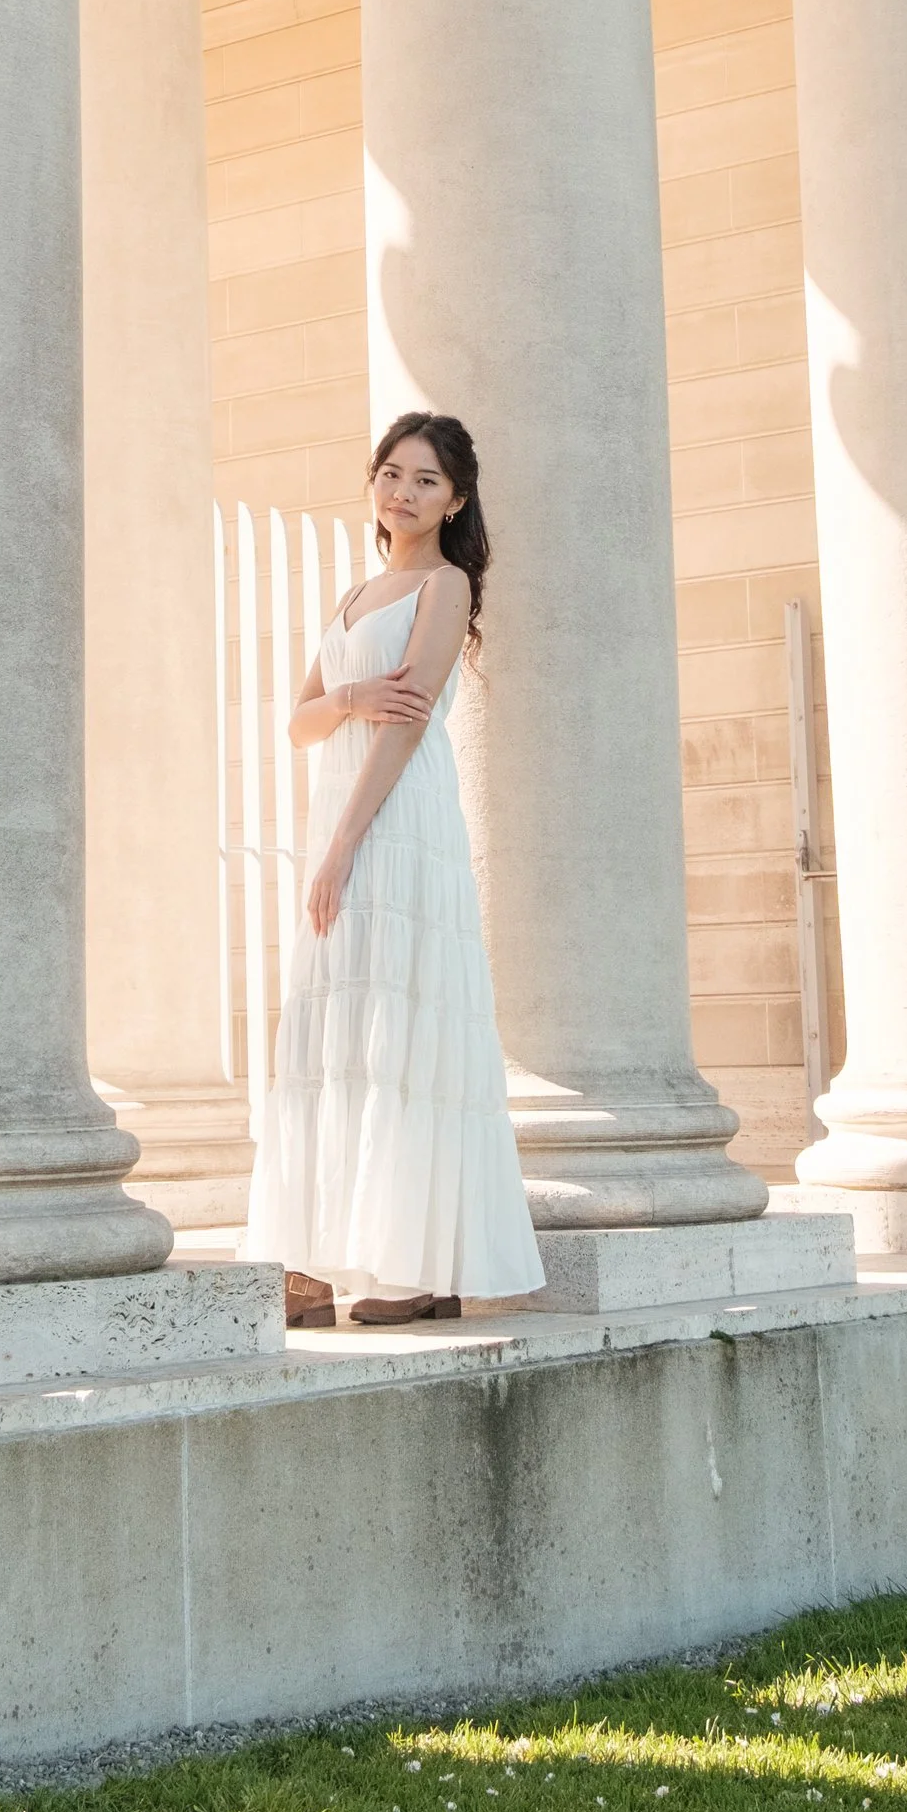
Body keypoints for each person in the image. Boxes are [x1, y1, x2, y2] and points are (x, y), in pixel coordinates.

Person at [243, 410, 545, 1330]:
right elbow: (298, 724)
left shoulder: (445, 586)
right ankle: (319, 1255)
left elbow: (408, 726)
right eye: (392, 473)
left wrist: (341, 844)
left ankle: (414, 1267)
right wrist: (346, 696)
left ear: (455, 500)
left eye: (424, 480)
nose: (403, 492)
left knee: (398, 1022)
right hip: (346, 818)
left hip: (396, 823)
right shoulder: (354, 597)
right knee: (334, 1029)